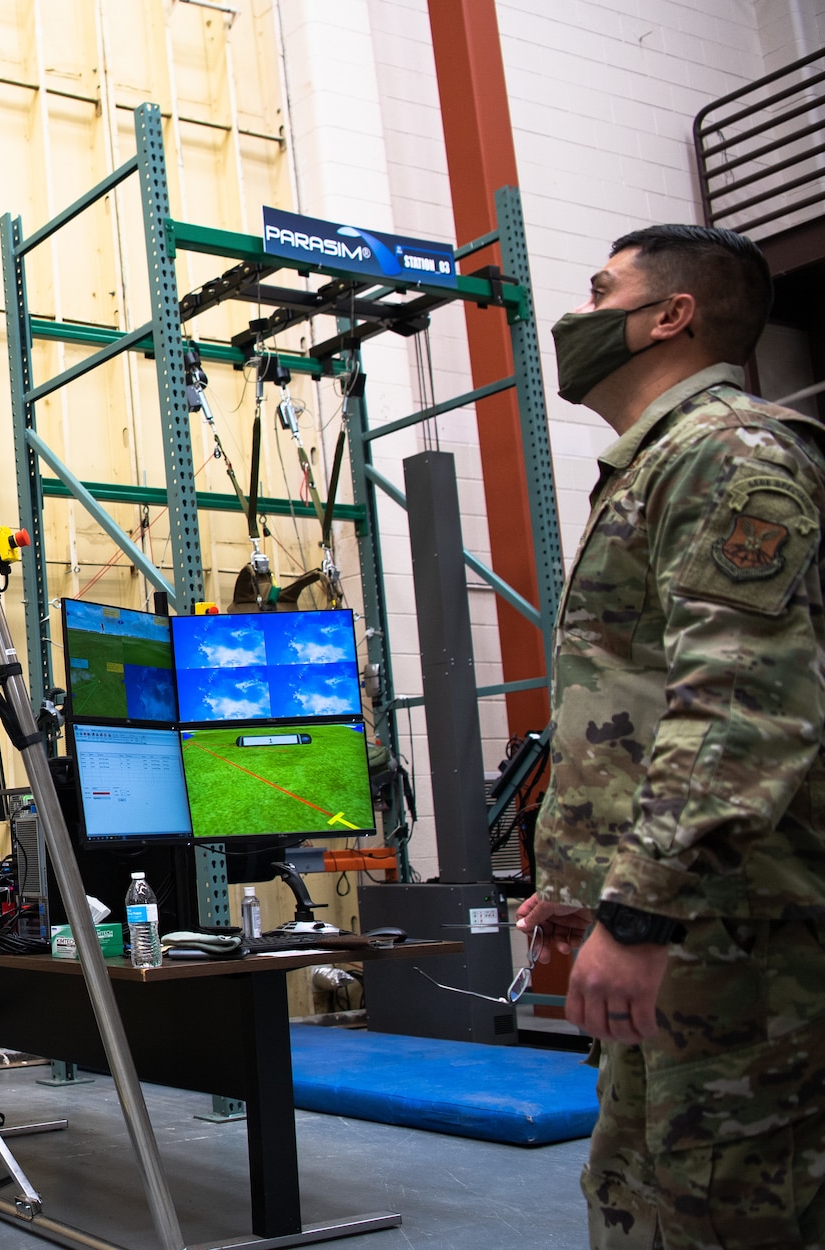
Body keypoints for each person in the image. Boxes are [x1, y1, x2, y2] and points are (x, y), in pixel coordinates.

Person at [516, 224, 825, 1247]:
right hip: (677, 933)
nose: (575, 314)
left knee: (719, 1212)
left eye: (600, 289)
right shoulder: (655, 466)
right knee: (638, 1198)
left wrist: (641, 912)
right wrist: (584, 886)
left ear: (667, 316)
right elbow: (633, 701)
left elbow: (738, 703)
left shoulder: (727, 454)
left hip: (731, 942)